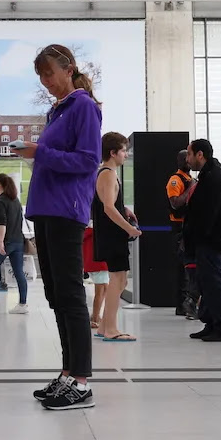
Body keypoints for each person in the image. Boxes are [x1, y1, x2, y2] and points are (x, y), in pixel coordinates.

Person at [17, 44, 102, 409]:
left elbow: (87, 161)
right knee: (56, 295)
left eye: (50, 73)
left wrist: (40, 153)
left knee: (69, 295)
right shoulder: (58, 111)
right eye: (41, 76)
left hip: (67, 211)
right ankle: (68, 373)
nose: (46, 82)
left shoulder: (83, 106)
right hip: (48, 210)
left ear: (68, 69)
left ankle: (81, 380)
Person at [185, 138, 221, 342]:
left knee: (215, 284)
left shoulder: (213, 178)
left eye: (189, 154)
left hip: (212, 243)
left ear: (200, 155)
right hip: (208, 242)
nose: (187, 159)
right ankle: (212, 322)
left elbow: (208, 214)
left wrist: (197, 236)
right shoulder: (208, 176)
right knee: (207, 284)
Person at [92, 132, 141, 342]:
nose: (126, 155)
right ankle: (111, 328)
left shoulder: (106, 173)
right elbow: (109, 208)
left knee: (118, 279)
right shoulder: (108, 173)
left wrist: (125, 209)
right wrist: (128, 228)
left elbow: (111, 203)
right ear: (113, 153)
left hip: (109, 233)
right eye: (123, 151)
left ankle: (105, 327)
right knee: (118, 279)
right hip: (112, 234)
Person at [0, 173, 29, 313]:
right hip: (18, 241)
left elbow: (2, 222)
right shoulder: (16, 201)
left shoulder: (0, 201)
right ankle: (23, 304)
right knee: (19, 272)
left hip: (6, 241)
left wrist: (0, 242)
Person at [166, 151, 196, 317]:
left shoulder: (191, 180)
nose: (188, 161)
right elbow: (176, 204)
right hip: (179, 227)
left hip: (190, 226)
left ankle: (189, 302)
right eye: (185, 158)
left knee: (190, 267)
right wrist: (191, 189)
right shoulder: (175, 180)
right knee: (183, 268)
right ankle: (181, 304)